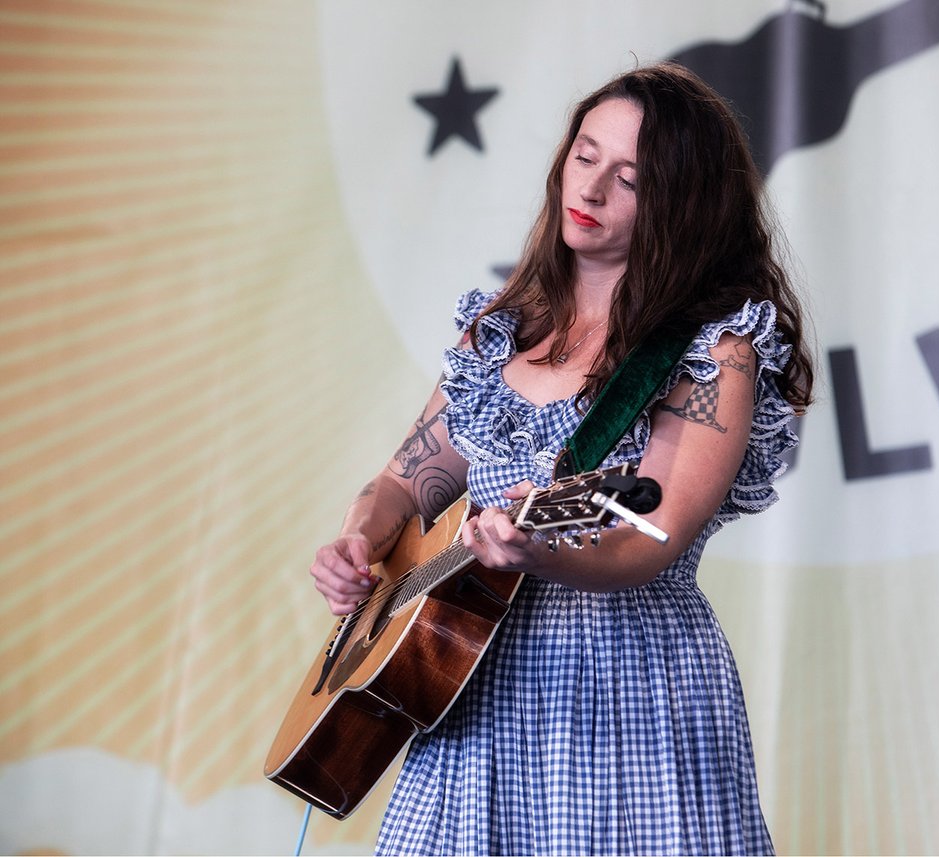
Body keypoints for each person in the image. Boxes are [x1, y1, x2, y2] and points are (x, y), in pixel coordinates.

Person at [310, 61, 815, 856]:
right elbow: (405, 480)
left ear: (682, 205)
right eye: (586, 154)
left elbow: (651, 541)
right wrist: (358, 537)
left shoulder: (713, 352)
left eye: (632, 178)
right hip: (465, 684)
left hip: (626, 692)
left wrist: (538, 549)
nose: (594, 187)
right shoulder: (499, 331)